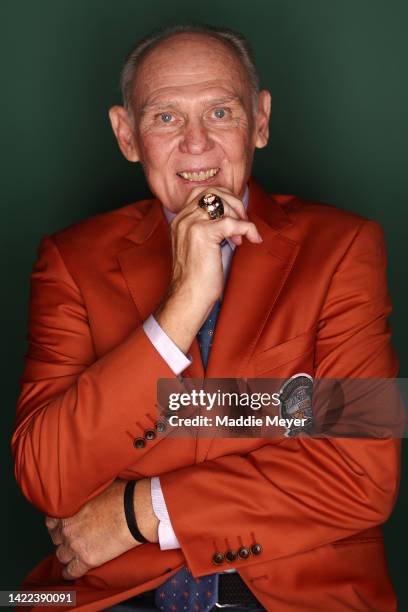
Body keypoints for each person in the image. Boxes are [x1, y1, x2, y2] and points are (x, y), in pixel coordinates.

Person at [12, 24, 401, 611]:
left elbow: (363, 474)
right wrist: (183, 308)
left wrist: (137, 511)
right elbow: (48, 475)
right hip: (100, 592)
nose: (196, 145)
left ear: (261, 121)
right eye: (165, 117)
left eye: (221, 112)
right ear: (126, 135)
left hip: (304, 593)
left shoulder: (345, 246)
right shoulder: (70, 259)